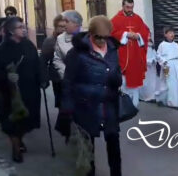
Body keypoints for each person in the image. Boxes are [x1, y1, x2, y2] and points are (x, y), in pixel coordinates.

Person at [59, 15, 123, 176]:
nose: (102, 41)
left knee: (113, 141)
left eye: (106, 37)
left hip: (108, 103)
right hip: (85, 105)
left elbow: (117, 73)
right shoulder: (77, 53)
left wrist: (117, 78)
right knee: (87, 145)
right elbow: (68, 82)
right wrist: (67, 107)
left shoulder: (112, 49)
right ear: (91, 34)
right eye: (98, 37)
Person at [0, 17, 42, 163]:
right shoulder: (1, 49)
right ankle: (15, 148)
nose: (24, 29)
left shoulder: (29, 45)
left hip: (30, 90)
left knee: (26, 120)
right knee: (12, 122)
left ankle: (19, 139)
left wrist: (43, 79)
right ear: (12, 31)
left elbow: (37, 64)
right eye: (20, 27)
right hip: (10, 93)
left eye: (24, 26)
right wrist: (7, 77)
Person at [111, 0, 150, 108]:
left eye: (132, 7)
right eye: (128, 7)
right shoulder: (116, 19)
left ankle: (135, 103)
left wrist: (138, 35)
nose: (130, 9)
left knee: (135, 78)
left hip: (136, 54)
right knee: (123, 80)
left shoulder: (138, 18)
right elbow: (111, 33)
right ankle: (124, 104)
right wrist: (125, 34)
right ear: (123, 6)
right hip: (123, 53)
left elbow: (145, 31)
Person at [40, 14, 66, 107]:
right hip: (57, 77)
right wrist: (44, 79)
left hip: (70, 77)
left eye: (65, 26)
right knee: (62, 106)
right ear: (55, 27)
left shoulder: (70, 38)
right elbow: (43, 61)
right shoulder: (50, 41)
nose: (63, 29)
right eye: (61, 26)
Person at [156, 27, 178, 109]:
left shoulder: (176, 45)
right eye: (170, 33)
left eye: (173, 32)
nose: (172, 34)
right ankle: (162, 100)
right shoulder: (162, 45)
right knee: (167, 84)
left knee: (177, 85)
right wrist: (164, 61)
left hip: (176, 66)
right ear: (165, 35)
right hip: (167, 65)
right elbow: (158, 55)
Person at [54, 10, 83, 82]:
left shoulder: (88, 36)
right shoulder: (60, 39)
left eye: (67, 21)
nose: (64, 24)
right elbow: (57, 59)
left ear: (76, 23)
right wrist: (66, 75)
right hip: (70, 81)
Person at [139, 34, 158, 102]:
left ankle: (152, 96)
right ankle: (144, 96)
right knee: (145, 82)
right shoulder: (141, 45)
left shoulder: (151, 45)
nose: (149, 36)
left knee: (152, 82)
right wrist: (149, 61)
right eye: (147, 35)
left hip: (152, 68)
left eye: (149, 35)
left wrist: (154, 59)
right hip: (145, 67)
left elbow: (155, 55)